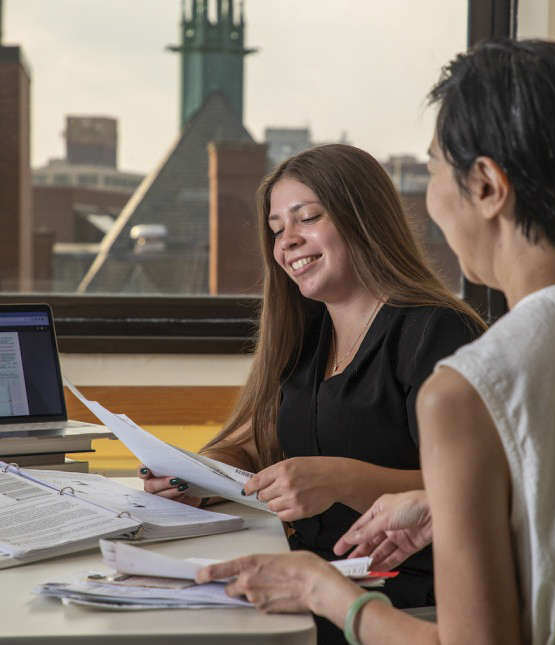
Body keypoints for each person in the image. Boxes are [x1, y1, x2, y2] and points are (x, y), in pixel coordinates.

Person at [196, 38, 555, 645]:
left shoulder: (469, 382)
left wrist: (321, 588)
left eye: (435, 169)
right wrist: (433, 501)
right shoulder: (311, 339)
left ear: (489, 187)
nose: (430, 195)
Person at [139, 143, 484, 638]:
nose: (288, 242)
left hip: (402, 592)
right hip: (306, 568)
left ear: (363, 218)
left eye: (308, 218)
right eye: (278, 230)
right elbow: (258, 443)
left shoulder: (437, 332)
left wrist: (344, 479)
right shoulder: (305, 335)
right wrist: (194, 476)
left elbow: (477, 490)